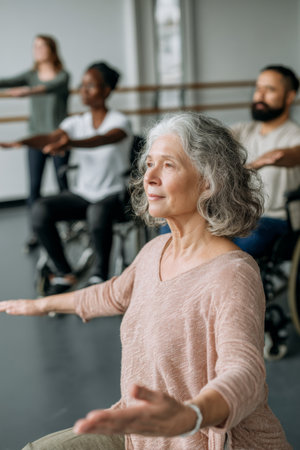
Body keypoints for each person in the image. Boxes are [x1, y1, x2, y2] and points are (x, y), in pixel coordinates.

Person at [0, 112, 291, 449]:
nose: (149, 177)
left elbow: (245, 373)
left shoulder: (232, 273)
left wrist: (191, 415)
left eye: (168, 165)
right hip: (140, 431)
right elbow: (111, 294)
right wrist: (42, 304)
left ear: (208, 181)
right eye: (149, 163)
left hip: (200, 439)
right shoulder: (155, 250)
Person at [0, 61, 132, 295]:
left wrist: (71, 143)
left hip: (115, 196)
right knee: (40, 208)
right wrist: (23, 142)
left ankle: (99, 274)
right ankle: (64, 272)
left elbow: (103, 139)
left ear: (106, 90)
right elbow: (52, 136)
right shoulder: (75, 122)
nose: (83, 91)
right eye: (82, 86)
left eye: (90, 86)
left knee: (97, 211)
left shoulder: (120, 121)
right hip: (84, 194)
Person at [0, 35, 70, 252]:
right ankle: (36, 231)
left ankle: (69, 226)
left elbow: (47, 87)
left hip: (58, 138)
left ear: (52, 49)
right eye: (34, 46)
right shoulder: (31, 75)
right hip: (35, 139)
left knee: (62, 184)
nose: (37, 49)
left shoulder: (63, 76)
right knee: (34, 187)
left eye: (41, 45)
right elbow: (7, 81)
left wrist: (27, 92)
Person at [232, 65, 300, 258]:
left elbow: (294, 154)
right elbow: (213, 137)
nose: (260, 96)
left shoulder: (295, 135)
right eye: (258, 88)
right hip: (241, 215)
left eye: (269, 90)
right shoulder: (244, 130)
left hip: (276, 221)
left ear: (289, 97)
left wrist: (267, 160)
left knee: (234, 250)